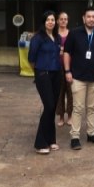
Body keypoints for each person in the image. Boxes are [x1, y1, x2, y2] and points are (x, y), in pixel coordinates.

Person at [63, 7, 94, 149]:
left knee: (92, 107)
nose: (91, 19)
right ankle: (75, 137)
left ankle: (91, 134)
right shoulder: (74, 34)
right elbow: (67, 53)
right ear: (83, 18)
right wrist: (67, 71)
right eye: (89, 16)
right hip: (77, 77)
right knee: (78, 108)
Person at [28, 11, 62, 154]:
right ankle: (40, 143)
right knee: (48, 105)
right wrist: (38, 73)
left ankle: (51, 139)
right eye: (48, 20)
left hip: (56, 74)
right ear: (44, 22)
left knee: (52, 107)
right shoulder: (38, 38)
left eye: (53, 20)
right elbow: (31, 58)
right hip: (43, 74)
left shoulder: (57, 37)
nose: (51, 22)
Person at [55, 11, 73, 127]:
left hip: (70, 67)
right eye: (61, 19)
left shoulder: (71, 34)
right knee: (59, 92)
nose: (63, 21)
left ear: (67, 21)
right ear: (57, 21)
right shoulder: (54, 34)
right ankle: (61, 116)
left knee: (71, 92)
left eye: (65, 19)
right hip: (56, 67)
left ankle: (70, 116)